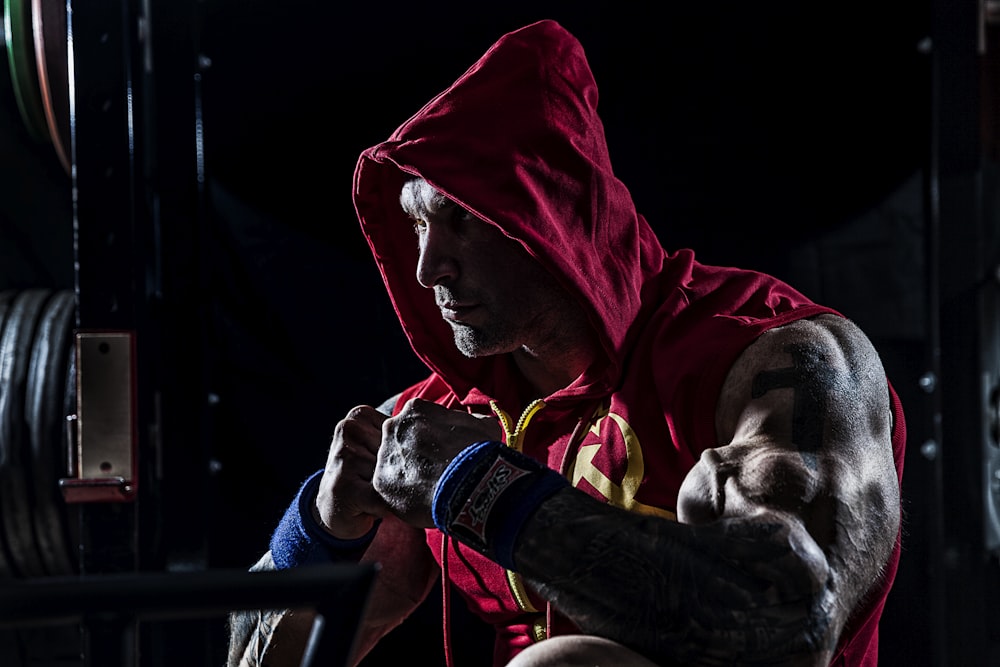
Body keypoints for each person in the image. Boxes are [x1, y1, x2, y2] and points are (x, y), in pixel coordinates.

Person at [226, 18, 906, 667]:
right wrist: (317, 528)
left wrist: (480, 488)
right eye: (417, 226)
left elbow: (794, 622)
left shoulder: (775, 357)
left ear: (543, 213)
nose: (428, 267)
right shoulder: (442, 423)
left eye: (459, 221)